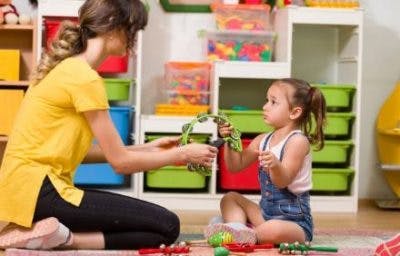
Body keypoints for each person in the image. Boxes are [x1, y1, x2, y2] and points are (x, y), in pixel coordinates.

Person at [0, 0, 218, 250]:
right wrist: (179, 154)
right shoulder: (84, 78)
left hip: (28, 192)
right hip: (42, 192)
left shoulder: (70, 70)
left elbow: (86, 154)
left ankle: (44, 233)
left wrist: (150, 148)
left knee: (154, 227)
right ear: (113, 27)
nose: (132, 40)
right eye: (132, 31)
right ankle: (63, 239)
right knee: (167, 225)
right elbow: (120, 163)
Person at [204, 78, 326, 245]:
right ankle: (238, 228)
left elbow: (283, 181)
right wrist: (231, 141)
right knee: (230, 198)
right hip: (264, 214)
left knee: (274, 229)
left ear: (294, 112)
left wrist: (275, 165)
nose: (265, 106)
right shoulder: (263, 139)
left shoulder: (297, 141)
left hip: (294, 223)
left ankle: (239, 231)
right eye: (266, 100)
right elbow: (235, 166)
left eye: (273, 102)